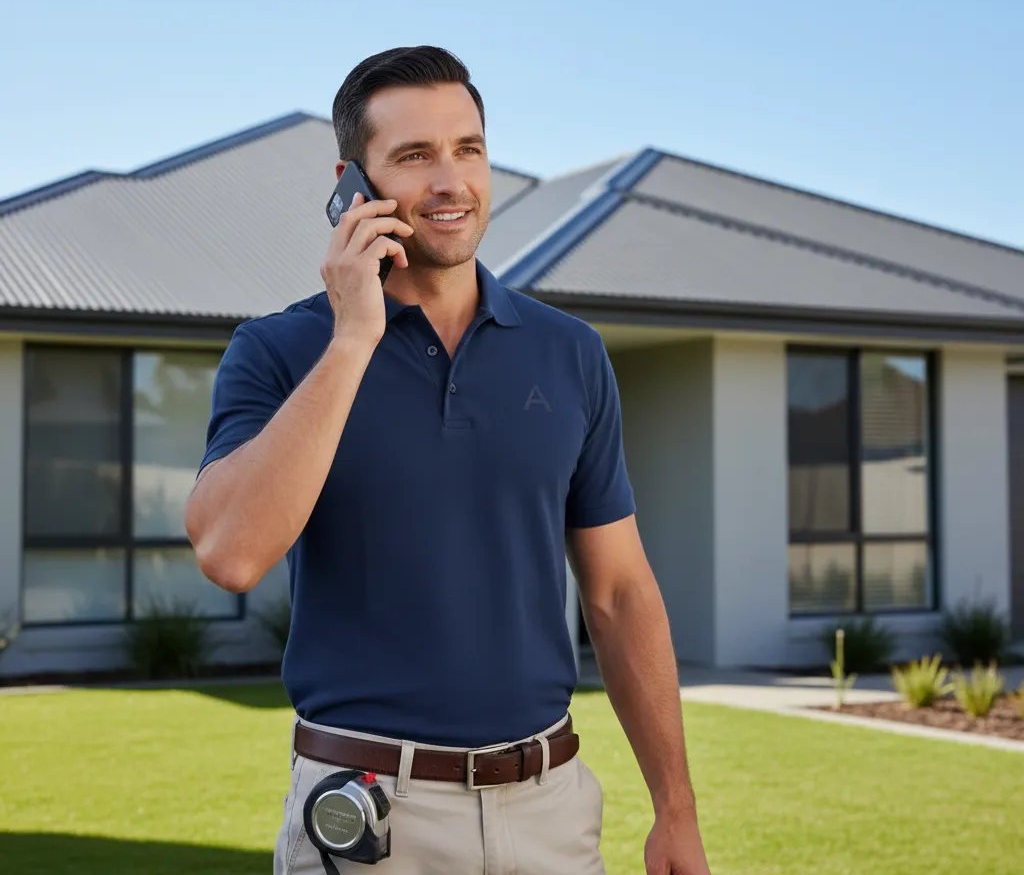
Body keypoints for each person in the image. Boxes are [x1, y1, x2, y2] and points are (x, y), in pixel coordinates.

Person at [184, 46, 711, 875]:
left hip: (552, 811)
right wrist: (355, 335)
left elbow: (618, 593)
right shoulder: (279, 351)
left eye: (468, 149)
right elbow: (230, 552)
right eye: (414, 156)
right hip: (369, 820)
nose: (449, 182)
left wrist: (675, 810)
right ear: (352, 182)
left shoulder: (570, 354)